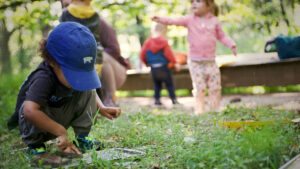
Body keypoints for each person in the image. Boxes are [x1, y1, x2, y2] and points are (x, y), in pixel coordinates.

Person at [6, 22, 121, 164]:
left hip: (62, 114)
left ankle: (82, 138)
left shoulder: (73, 78)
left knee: (87, 89)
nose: (79, 79)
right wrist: (61, 131)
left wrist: (101, 107)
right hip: (39, 121)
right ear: (53, 62)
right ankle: (36, 148)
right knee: (28, 107)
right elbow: (30, 111)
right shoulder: (44, 77)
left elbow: (88, 88)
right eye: (74, 73)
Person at [152, 0, 237, 114]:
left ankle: (214, 109)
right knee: (199, 88)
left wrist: (231, 44)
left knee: (215, 87)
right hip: (195, 62)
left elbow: (222, 36)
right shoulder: (189, 20)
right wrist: (161, 19)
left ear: (209, 4)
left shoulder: (214, 21)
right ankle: (200, 110)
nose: (194, 4)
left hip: (210, 62)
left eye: (198, 1)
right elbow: (174, 21)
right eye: (192, 2)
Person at [60, 0, 130, 107]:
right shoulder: (65, 20)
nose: (69, 7)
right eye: (65, 6)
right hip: (85, 69)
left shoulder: (97, 20)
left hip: (114, 71)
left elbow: (114, 49)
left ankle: (111, 99)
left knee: (98, 54)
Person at [140, 23, 180, 106]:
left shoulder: (148, 42)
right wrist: (175, 62)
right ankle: (174, 100)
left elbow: (142, 55)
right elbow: (169, 54)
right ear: (163, 30)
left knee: (157, 85)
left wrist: (147, 63)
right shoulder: (164, 42)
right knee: (169, 84)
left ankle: (157, 100)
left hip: (154, 69)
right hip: (164, 67)